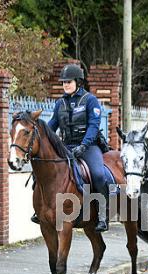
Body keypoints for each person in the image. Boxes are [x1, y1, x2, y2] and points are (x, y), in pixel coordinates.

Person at [31, 63, 109, 232]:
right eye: (64, 82)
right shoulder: (60, 103)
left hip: (88, 146)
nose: (65, 84)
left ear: (78, 82)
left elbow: (93, 126)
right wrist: (40, 136)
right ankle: (40, 210)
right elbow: (52, 125)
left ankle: (103, 215)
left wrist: (84, 145)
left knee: (98, 174)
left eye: (69, 81)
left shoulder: (90, 100)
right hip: (66, 146)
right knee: (41, 172)